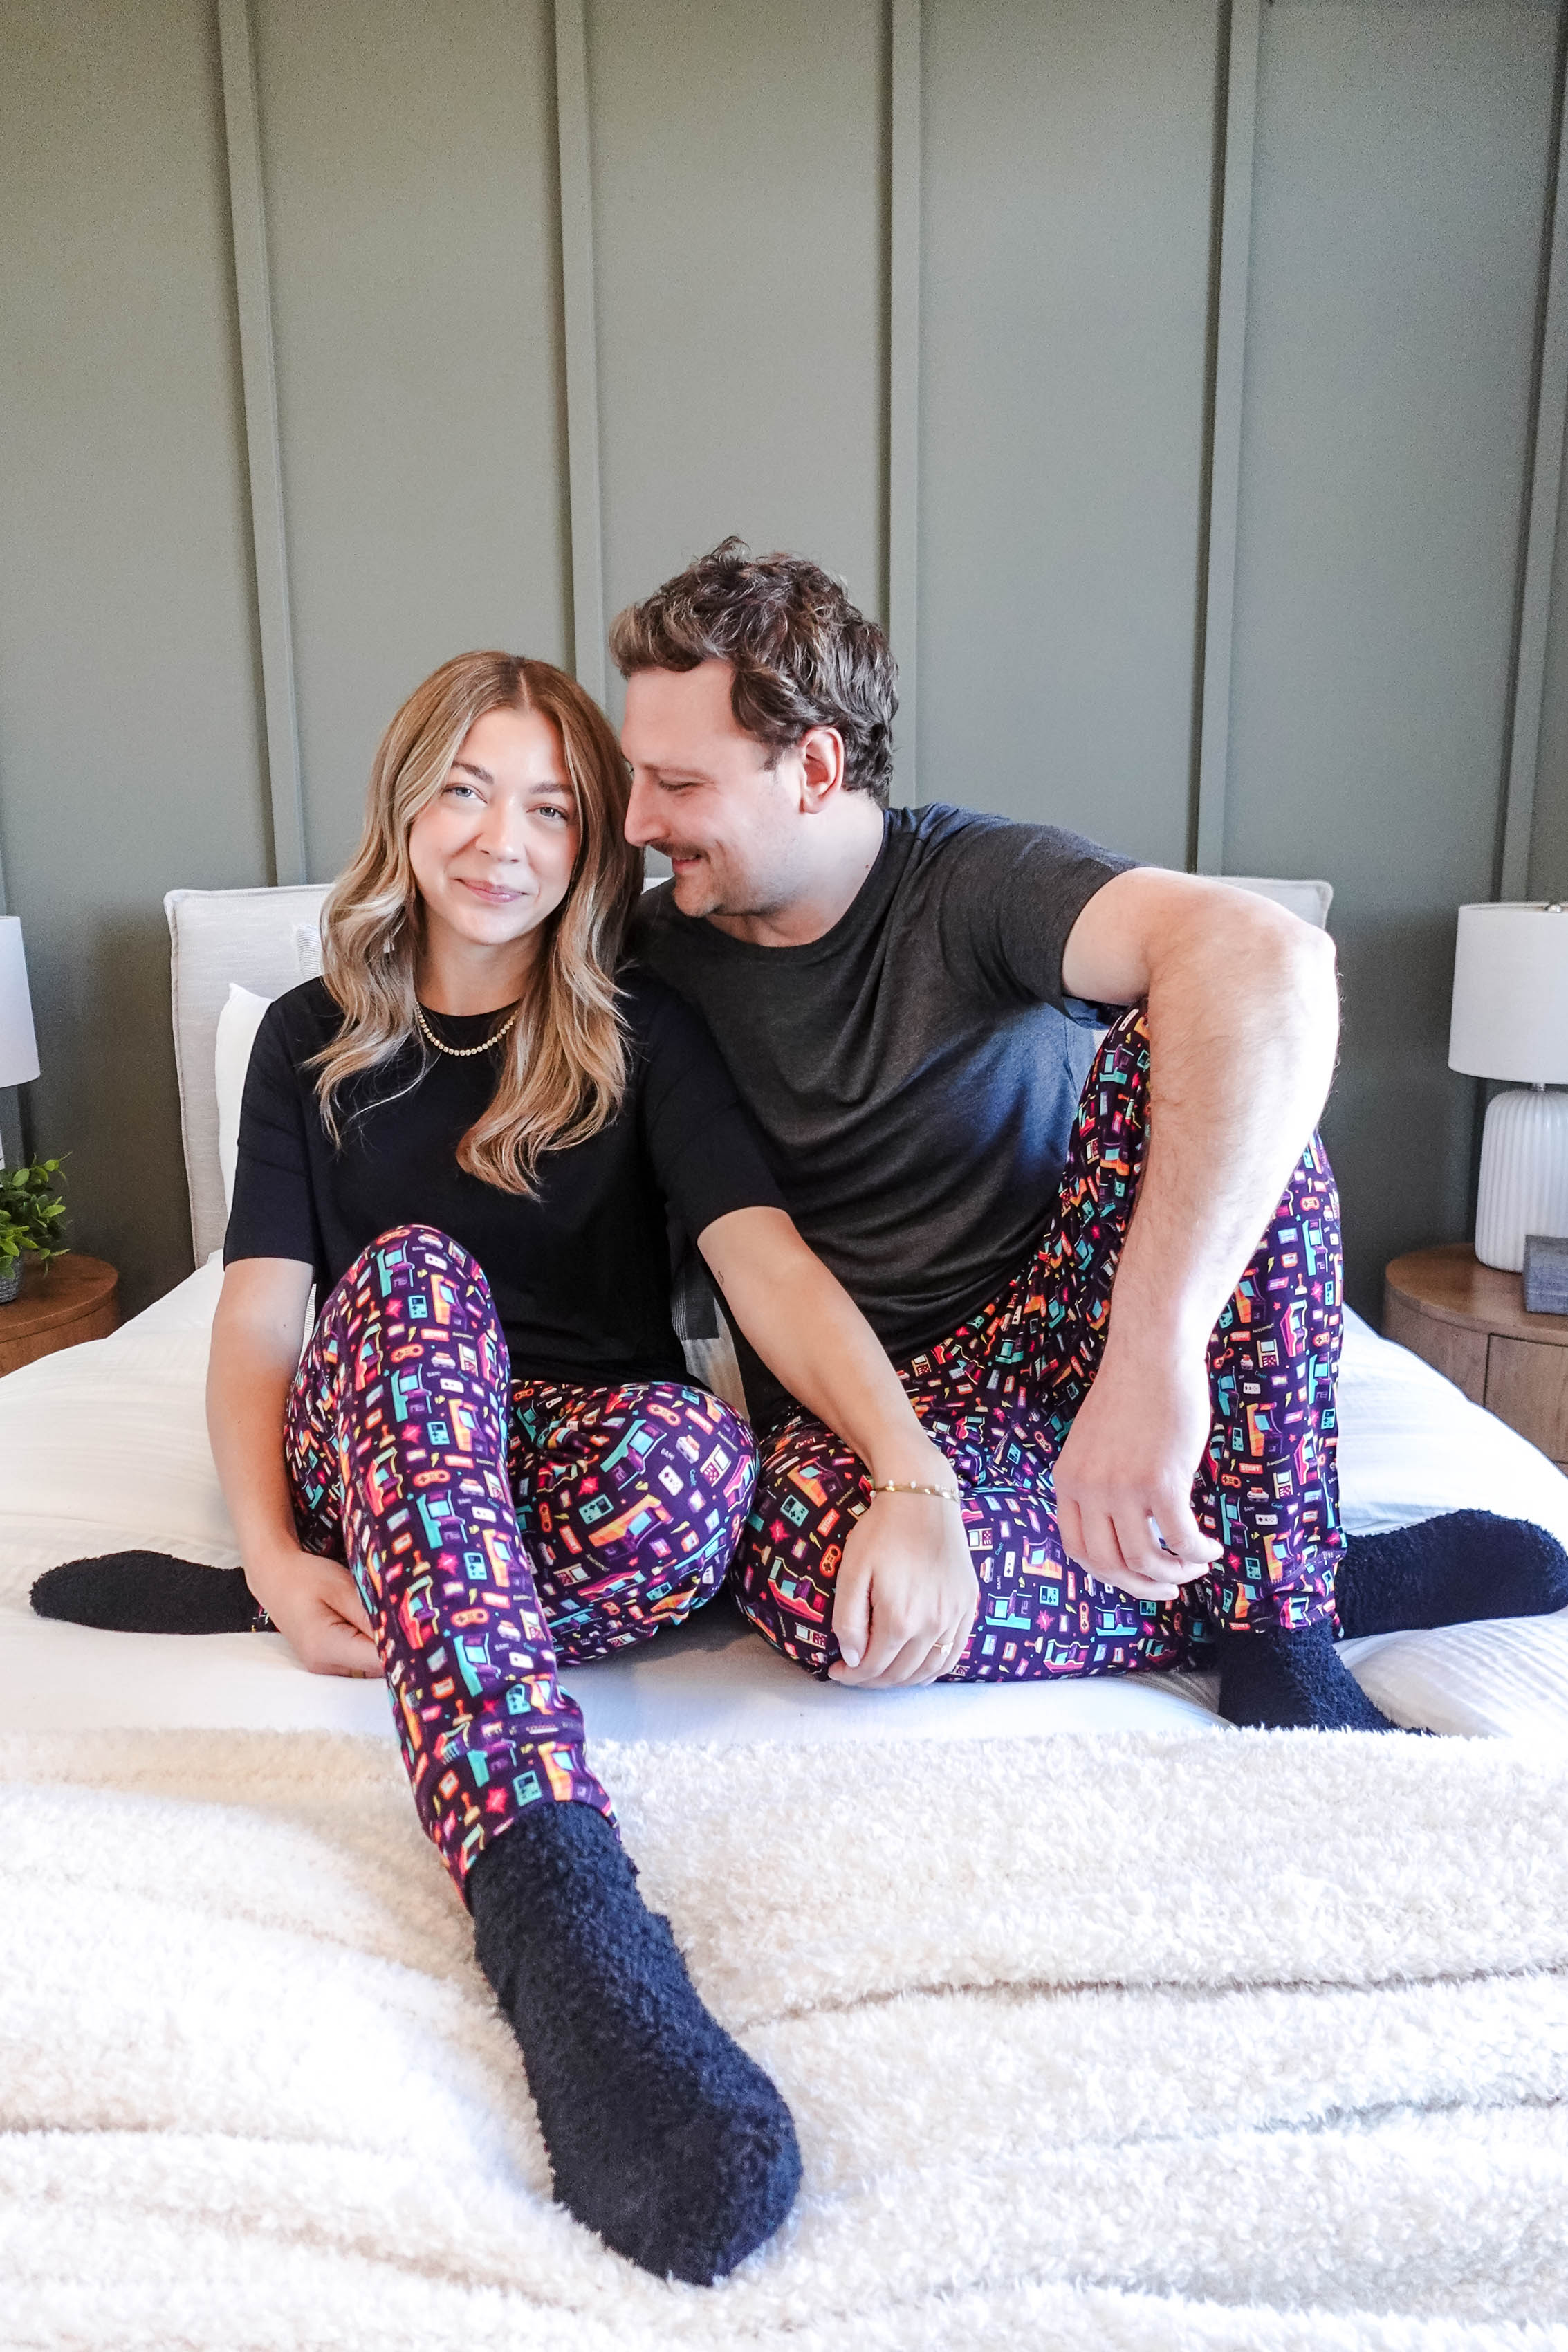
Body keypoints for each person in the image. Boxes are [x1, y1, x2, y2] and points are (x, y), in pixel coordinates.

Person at [33, 649, 979, 2284]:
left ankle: (433, 1612)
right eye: (466, 787)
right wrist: (268, 1546)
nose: (502, 838)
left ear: (596, 843)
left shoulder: (644, 1033)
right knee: (410, 1276)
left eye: (551, 805)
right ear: (406, 803)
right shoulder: (311, 1038)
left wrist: (913, 1473)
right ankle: (556, 1902)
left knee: (699, 1459)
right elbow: (263, 1321)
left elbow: (761, 1268)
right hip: (381, 1423)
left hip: (549, 1474)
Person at [613, 540, 1568, 1727]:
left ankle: (1283, 1645)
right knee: (825, 1589)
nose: (638, 819)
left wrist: (1151, 1358)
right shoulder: (648, 959)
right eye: (634, 778)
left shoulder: (975, 879)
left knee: (1229, 1067)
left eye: (679, 784)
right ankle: (1311, 1572)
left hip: (1079, 1341)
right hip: (864, 1410)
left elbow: (1268, 958)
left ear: (812, 766)